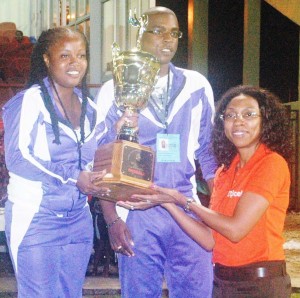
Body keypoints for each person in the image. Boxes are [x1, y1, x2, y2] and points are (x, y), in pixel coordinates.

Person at [95, 6, 217, 298]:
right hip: (137, 209)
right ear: (139, 35)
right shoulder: (114, 89)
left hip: (184, 204)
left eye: (174, 33)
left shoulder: (196, 85)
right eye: (158, 31)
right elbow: (101, 161)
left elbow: (209, 154)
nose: (168, 39)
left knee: (197, 291)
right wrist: (112, 219)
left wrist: (220, 214)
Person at [128, 85, 293, 298]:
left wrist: (184, 201)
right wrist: (168, 202)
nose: (239, 121)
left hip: (260, 285)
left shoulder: (271, 164)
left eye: (249, 114)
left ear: (265, 120)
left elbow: (235, 230)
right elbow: (210, 240)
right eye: (230, 115)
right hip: (223, 285)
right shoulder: (224, 172)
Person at [3, 27, 109, 298]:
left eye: (82, 55)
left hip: (78, 221)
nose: (76, 63)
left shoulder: (90, 108)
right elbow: (18, 158)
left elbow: (95, 158)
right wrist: (74, 177)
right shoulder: (29, 101)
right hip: (37, 219)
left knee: (70, 294)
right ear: (47, 60)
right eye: (65, 55)